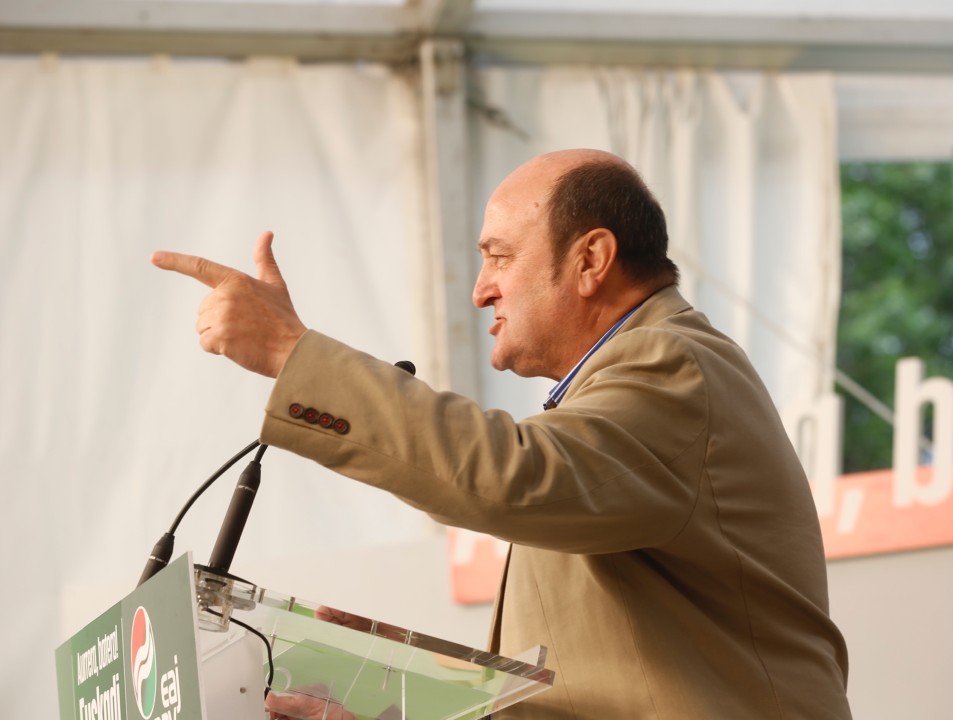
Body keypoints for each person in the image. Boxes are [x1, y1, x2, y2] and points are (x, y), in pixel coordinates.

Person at [152, 148, 851, 719]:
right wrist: (402, 692)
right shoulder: (622, 396)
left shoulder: (672, 363)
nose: (481, 288)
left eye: (501, 256)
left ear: (591, 260)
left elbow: (511, 477)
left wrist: (290, 352)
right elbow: (604, 683)